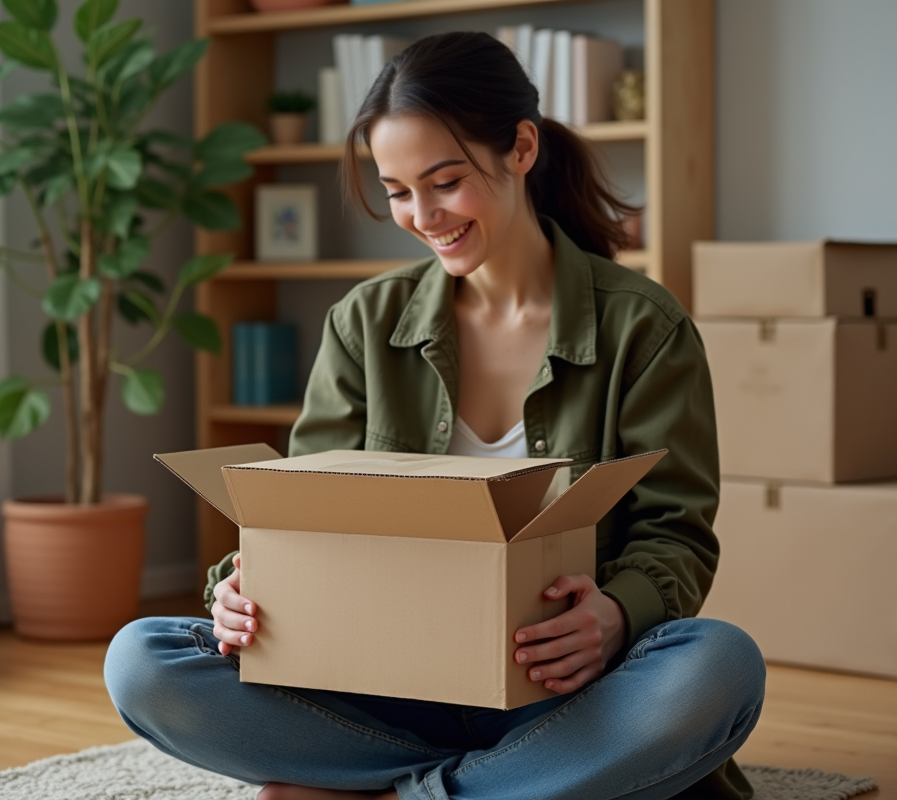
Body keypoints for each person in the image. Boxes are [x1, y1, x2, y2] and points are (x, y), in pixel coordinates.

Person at [105, 31, 765, 800]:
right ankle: (506, 788)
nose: (422, 215)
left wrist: (617, 614)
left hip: (563, 690)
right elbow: (295, 515)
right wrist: (237, 589)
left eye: (445, 181)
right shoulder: (364, 323)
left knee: (719, 666)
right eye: (396, 190)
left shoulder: (643, 327)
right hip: (381, 684)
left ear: (521, 148)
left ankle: (380, 789)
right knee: (142, 659)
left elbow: (675, 530)